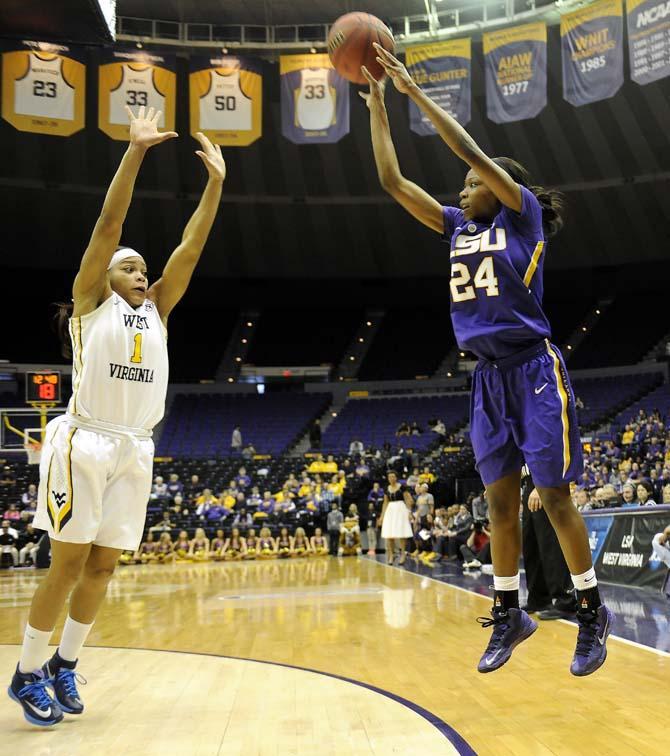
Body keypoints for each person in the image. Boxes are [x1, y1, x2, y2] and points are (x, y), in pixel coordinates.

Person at [362, 48, 612, 676]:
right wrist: (379, 110)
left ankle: (591, 611)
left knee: (553, 498)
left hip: (533, 369)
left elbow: (473, 155)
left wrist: (414, 92)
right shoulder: (455, 228)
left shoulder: (523, 219)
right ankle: (510, 612)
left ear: (500, 191)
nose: (463, 188)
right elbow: (393, 184)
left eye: (473, 185)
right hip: (487, 380)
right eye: (466, 185)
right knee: (498, 504)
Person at [9, 106, 226, 726]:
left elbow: (190, 246)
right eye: (129, 265)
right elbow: (110, 222)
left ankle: (64, 665)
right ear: (103, 276)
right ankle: (26, 672)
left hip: (135, 446)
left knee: (104, 566)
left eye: (142, 267)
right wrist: (135, 152)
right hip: (84, 442)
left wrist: (215, 184)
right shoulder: (90, 304)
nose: (142, 271)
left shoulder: (158, 310)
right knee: (69, 562)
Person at [379, 471, 414, 565]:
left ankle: (403, 554)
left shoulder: (402, 487)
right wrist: (382, 516)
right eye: (389, 477)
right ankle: (391, 555)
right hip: (390, 511)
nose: (391, 478)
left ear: (396, 477)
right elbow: (385, 502)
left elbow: (408, 499)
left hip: (401, 509)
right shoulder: (386, 488)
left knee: (402, 533)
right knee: (390, 534)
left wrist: (409, 512)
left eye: (393, 476)